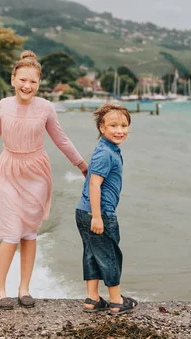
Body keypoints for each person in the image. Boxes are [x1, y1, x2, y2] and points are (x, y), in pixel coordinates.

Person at [0, 50, 88, 310]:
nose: (27, 85)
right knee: (10, 233)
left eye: (33, 81)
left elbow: (61, 139)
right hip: (8, 171)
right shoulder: (3, 106)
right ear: (12, 79)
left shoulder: (45, 108)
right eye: (22, 80)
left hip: (37, 173)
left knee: (29, 234)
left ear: (39, 84)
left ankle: (24, 289)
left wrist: (82, 165)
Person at [75, 103, 138, 315]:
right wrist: (97, 217)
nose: (119, 130)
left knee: (92, 253)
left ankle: (92, 299)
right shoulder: (105, 153)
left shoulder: (107, 148)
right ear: (102, 128)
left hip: (84, 212)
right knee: (110, 255)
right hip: (98, 213)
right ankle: (116, 300)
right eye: (113, 125)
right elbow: (94, 184)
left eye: (124, 125)